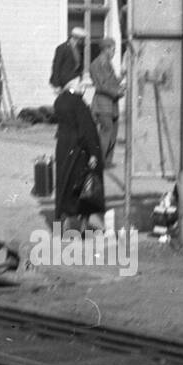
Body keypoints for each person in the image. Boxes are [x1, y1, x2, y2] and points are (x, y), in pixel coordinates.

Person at [53, 77, 104, 231]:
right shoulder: (79, 103)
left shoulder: (59, 101)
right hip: (78, 152)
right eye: (80, 82)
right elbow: (87, 130)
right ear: (72, 84)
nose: (83, 85)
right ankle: (83, 227)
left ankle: (64, 225)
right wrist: (94, 153)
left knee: (64, 186)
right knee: (84, 189)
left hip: (63, 148)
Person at [89, 36, 125, 167]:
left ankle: (107, 161)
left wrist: (122, 80)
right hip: (103, 104)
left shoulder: (108, 63)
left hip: (112, 104)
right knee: (106, 132)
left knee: (113, 134)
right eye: (113, 49)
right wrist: (117, 91)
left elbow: (112, 82)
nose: (114, 52)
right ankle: (99, 161)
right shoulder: (96, 64)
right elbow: (101, 85)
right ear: (105, 49)